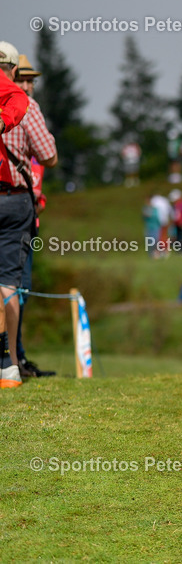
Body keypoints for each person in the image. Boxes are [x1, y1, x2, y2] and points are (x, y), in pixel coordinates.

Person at [11, 55, 57, 378]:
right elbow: (49, 155)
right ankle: (12, 359)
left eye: (31, 81)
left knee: (21, 290)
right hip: (14, 212)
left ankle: (18, 356)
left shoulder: (28, 116)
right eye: (23, 79)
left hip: (28, 214)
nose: (28, 85)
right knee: (12, 287)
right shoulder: (20, 113)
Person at [0, 42, 32, 388]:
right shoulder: (11, 88)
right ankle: (8, 364)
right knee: (7, 282)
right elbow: (48, 153)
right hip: (11, 197)